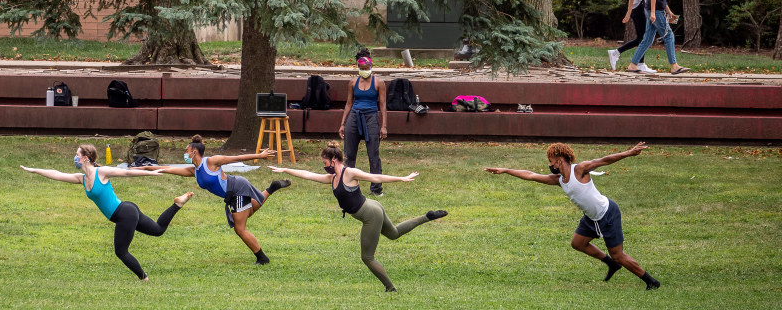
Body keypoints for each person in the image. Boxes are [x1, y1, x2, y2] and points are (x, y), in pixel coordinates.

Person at [269, 142, 447, 292]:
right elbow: (308, 175)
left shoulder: (350, 173)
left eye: (325, 162)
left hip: (370, 214)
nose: (324, 166)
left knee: (367, 257)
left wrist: (401, 178)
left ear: (333, 160)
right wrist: (285, 169)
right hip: (373, 207)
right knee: (394, 234)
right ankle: (427, 217)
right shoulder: (332, 178)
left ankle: (390, 288)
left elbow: (375, 177)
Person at [484, 142, 660, 290]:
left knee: (618, 255)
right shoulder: (559, 180)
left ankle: (651, 281)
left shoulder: (580, 170)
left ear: (560, 160)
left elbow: (604, 160)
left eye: (551, 161)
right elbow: (531, 175)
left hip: (607, 213)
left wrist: (630, 152)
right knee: (578, 243)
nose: (550, 165)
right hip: (591, 217)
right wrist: (505, 170)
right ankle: (611, 264)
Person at [20, 143, 193, 280]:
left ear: (85, 158)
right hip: (127, 210)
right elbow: (57, 174)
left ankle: (143, 278)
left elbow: (125, 173)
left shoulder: (101, 172)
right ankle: (177, 204)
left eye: (77, 154)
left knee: (121, 251)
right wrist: (34, 170)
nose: (75, 157)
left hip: (124, 214)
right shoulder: (81, 178)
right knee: (158, 230)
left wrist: (151, 174)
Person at [133, 135, 291, 265]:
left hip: (236, 188)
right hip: (232, 194)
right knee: (247, 213)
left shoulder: (211, 162)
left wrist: (260, 156)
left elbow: (236, 158)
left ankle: (262, 258)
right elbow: (167, 169)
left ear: (194, 151)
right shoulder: (194, 171)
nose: (185, 154)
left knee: (240, 228)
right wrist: (144, 168)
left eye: (187, 151)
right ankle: (271, 188)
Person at [339, 49, 388, 195]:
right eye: (362, 68)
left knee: (373, 154)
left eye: (367, 68)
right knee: (349, 154)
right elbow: (349, 103)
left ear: (371, 67)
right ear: (358, 68)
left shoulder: (379, 82)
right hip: (354, 116)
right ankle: (347, 185)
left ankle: (376, 189)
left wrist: (384, 126)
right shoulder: (353, 82)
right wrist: (343, 124)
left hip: (371, 117)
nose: (364, 71)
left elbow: (383, 105)